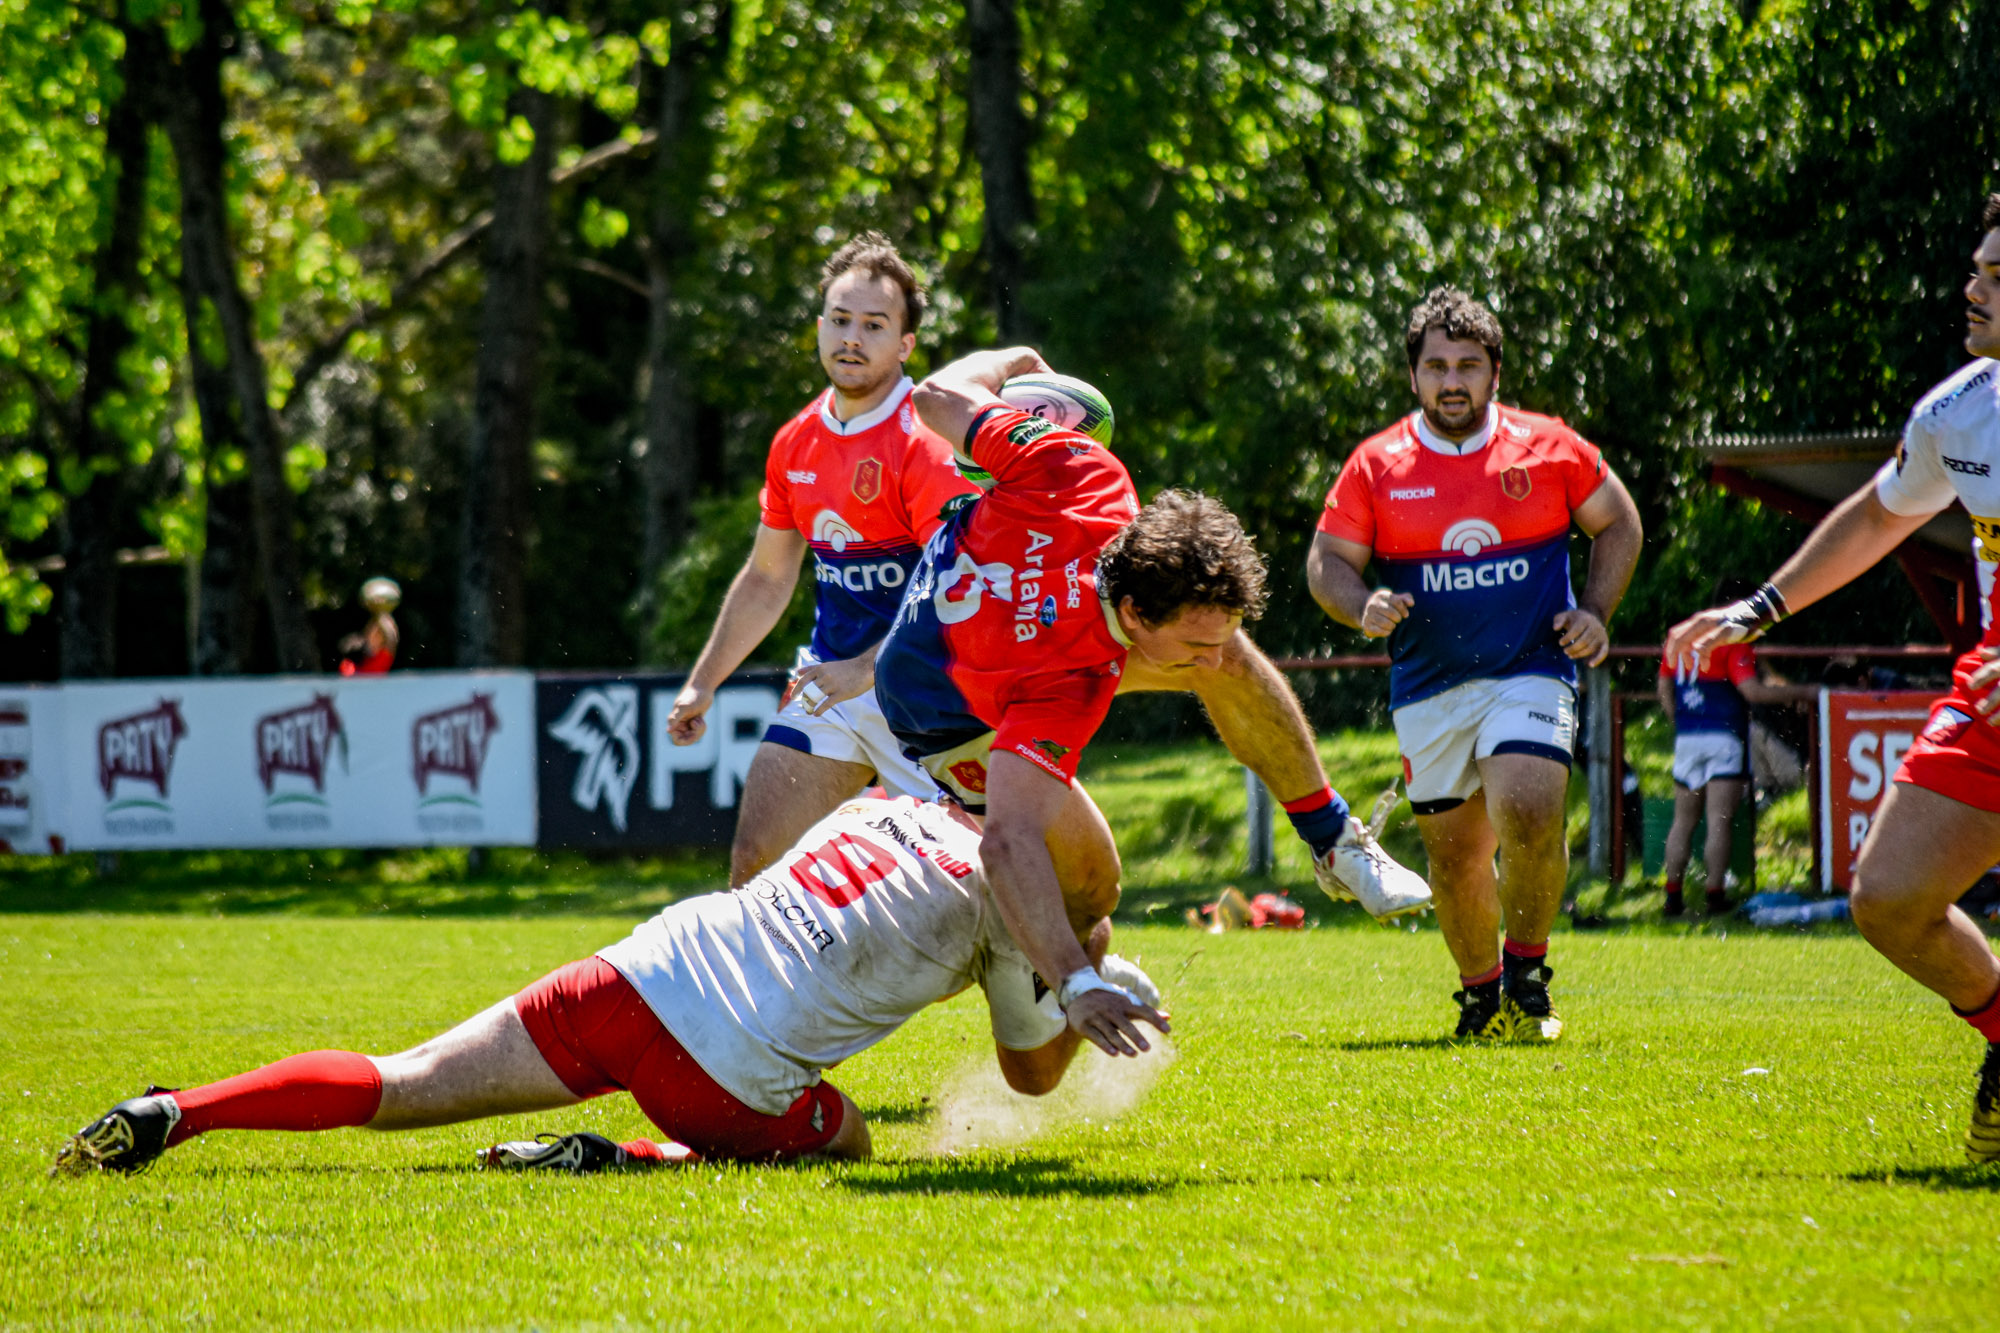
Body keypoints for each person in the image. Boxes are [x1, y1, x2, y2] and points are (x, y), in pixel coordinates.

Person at [53, 795, 1166, 1175]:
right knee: (848, 1141)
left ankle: (176, 1111)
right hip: (718, 1075)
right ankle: (624, 1156)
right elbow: (1028, 1076)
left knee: (402, 1078)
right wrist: (1093, 968)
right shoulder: (1018, 900)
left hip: (636, 971)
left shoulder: (883, 805)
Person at [852, 346, 1431, 1045]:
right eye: (1189, 646)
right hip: (936, 705)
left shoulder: (1079, 468)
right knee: (1076, 885)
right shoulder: (1071, 686)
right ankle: (1015, 963)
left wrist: (1009, 372)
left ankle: (1332, 837)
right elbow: (1010, 839)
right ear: (1133, 617)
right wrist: (1077, 981)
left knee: (1101, 884)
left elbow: (940, 394)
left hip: (1010, 656)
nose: (1205, 659)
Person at [1666, 193, 2000, 1162]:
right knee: (1887, 897)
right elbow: (1873, 515)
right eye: (1975, 266)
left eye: (1994, 275)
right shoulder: (1960, 408)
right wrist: (1753, 610)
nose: (1969, 287)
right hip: (1988, 689)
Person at [1307, 286, 1644, 1043]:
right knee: (1455, 859)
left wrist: (1594, 610)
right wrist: (1358, 603)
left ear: (1495, 372)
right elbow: (1327, 561)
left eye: (1467, 365)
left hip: (1532, 665)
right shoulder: (1376, 464)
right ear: (1413, 376)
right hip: (1428, 684)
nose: (1451, 380)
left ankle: (1528, 975)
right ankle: (1480, 996)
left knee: (1528, 805)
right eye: (1435, 367)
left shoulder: (1550, 445)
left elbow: (1619, 521)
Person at [664, 233, 975, 886]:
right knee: (756, 862)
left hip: (929, 696)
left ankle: (1079, 981)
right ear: (818, 328)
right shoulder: (796, 442)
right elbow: (768, 576)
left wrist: (866, 668)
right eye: (839, 320)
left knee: (987, 881)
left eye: (873, 324)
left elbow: (953, 586)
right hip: (831, 687)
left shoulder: (924, 444)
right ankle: (762, 992)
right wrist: (703, 681)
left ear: (905, 344)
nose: (851, 338)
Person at [1656, 577, 1816, 917]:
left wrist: (1680, 721)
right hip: (1722, 737)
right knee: (1718, 821)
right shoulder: (1732, 638)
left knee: (1682, 822)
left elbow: (1664, 687)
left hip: (1687, 737)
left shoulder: (1681, 635)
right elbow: (1753, 692)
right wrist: (1804, 693)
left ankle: (1673, 897)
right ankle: (1715, 895)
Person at [337, 577, 400, 675]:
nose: (373, 636)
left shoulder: (381, 659)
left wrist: (380, 612)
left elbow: (390, 636)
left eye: (378, 635)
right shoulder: (350, 667)